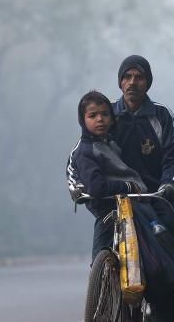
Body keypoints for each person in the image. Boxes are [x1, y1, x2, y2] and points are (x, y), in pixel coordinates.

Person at [113, 55, 174, 322]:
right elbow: (84, 153)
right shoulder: (106, 115)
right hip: (117, 203)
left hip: (157, 201)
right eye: (127, 77)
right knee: (102, 256)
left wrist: (168, 186)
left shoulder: (161, 115)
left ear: (148, 83)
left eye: (139, 77)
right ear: (120, 82)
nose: (132, 82)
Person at [66, 90, 147, 261]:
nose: (100, 119)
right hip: (107, 210)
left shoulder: (111, 143)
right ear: (83, 120)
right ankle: (99, 282)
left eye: (104, 114)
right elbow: (97, 188)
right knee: (100, 259)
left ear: (112, 118)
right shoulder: (86, 151)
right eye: (92, 115)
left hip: (131, 205)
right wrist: (128, 186)